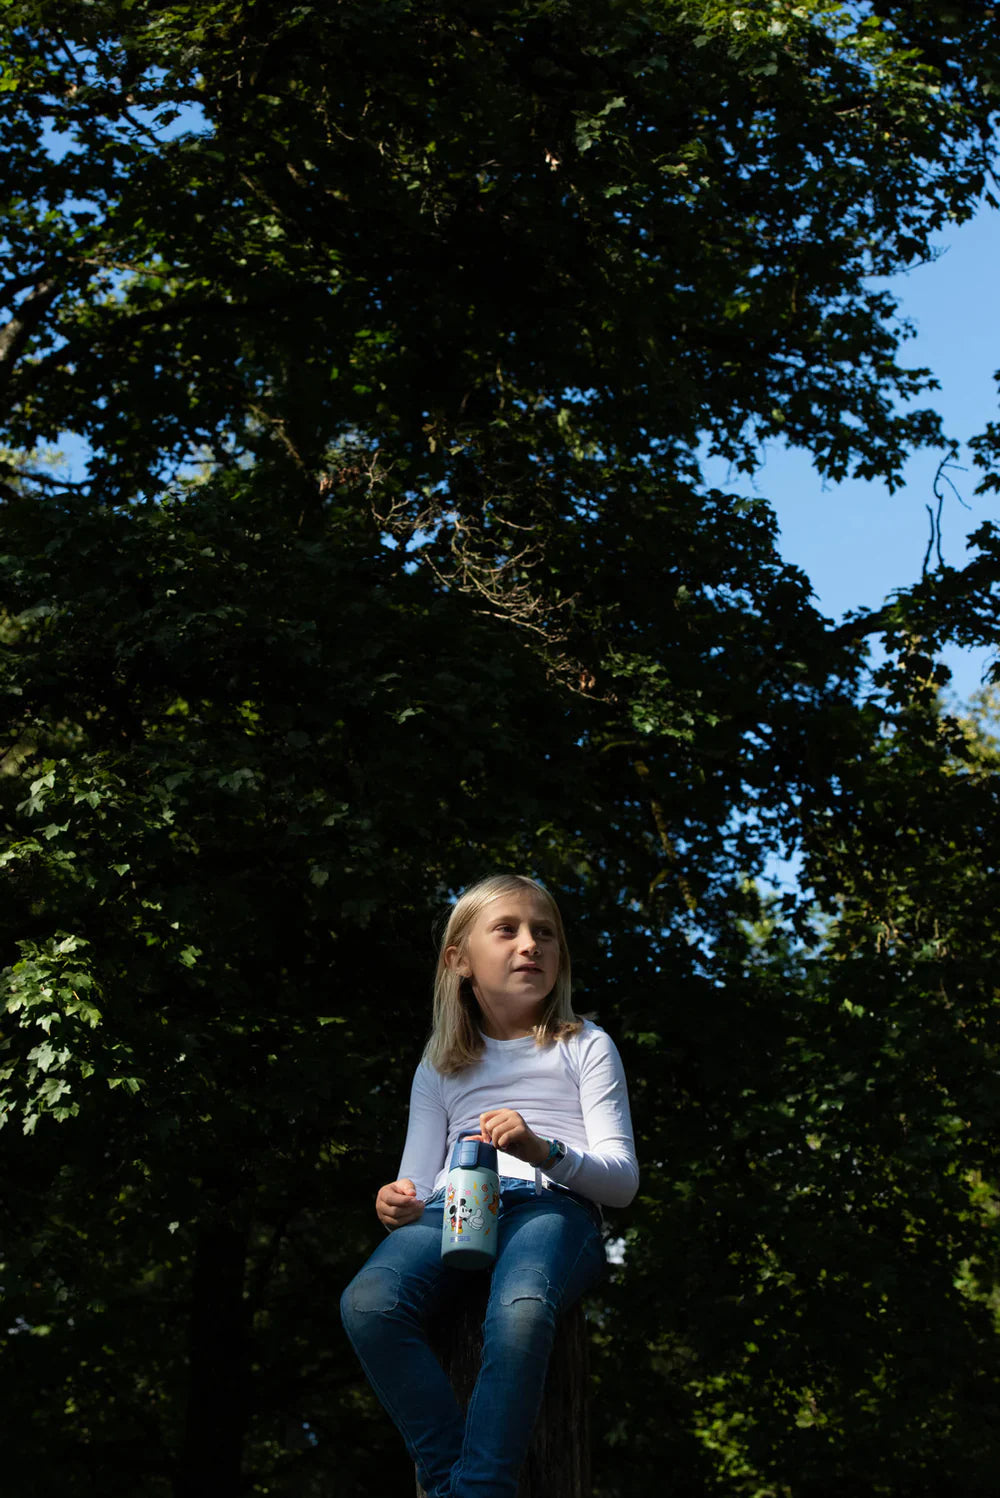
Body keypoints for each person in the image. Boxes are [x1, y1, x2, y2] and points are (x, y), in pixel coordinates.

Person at [340, 873, 639, 1498]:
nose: (530, 944)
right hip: (454, 1207)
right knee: (368, 1304)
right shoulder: (440, 1062)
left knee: (521, 1308)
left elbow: (622, 1182)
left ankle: (481, 1488)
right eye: (507, 930)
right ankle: (453, 1479)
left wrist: (542, 1150)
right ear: (460, 961)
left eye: (545, 933)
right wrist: (395, 1202)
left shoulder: (586, 1044)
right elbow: (415, 1181)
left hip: (553, 1207)